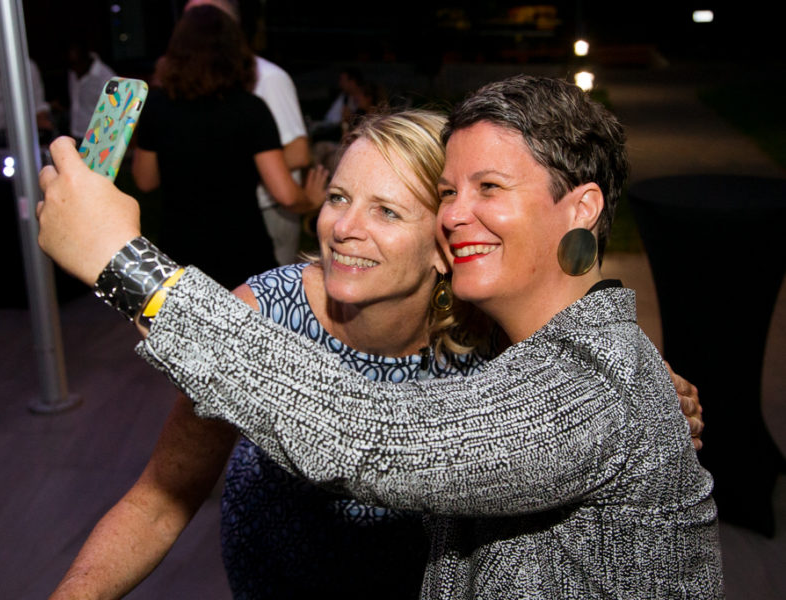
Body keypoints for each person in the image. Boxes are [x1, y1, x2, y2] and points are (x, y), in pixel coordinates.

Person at [37, 82, 714, 597]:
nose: (458, 214)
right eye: (337, 197)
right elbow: (160, 499)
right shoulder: (571, 358)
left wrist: (123, 263)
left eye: (487, 187)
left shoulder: (562, 372)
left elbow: (370, 436)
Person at [131, 5, 325, 290]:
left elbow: (145, 180)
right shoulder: (251, 110)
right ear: (235, 53)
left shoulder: (157, 108)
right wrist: (311, 200)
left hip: (181, 256)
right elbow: (284, 193)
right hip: (242, 253)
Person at [184, 0, 312, 267]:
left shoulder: (268, 77)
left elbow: (298, 152)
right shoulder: (187, 84)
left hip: (267, 210)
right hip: (212, 215)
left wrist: (236, 172)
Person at [65, 41, 116, 140]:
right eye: (72, 65)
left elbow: (113, 111)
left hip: (96, 138)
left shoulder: (106, 77)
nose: (74, 69)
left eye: (77, 64)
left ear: (86, 57)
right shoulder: (73, 72)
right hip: (75, 134)